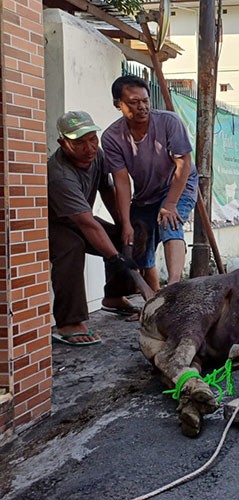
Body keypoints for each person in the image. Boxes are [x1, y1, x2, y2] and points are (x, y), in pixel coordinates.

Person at [48, 111, 139, 346]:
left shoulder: (96, 155)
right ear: (63, 143)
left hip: (81, 218)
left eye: (92, 139)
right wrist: (115, 258)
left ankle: (114, 297)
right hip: (54, 223)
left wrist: (124, 225)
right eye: (79, 142)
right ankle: (69, 322)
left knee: (128, 235)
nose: (89, 148)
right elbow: (87, 223)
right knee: (72, 247)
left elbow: (107, 189)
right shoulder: (59, 175)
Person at [102, 75, 198, 292]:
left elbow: (183, 163)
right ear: (118, 104)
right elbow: (121, 182)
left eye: (145, 101)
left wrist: (170, 204)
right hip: (146, 193)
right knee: (139, 239)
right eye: (134, 102)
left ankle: (174, 287)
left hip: (179, 184)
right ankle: (152, 298)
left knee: (169, 222)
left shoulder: (169, 122)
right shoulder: (111, 137)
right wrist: (125, 222)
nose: (142, 107)